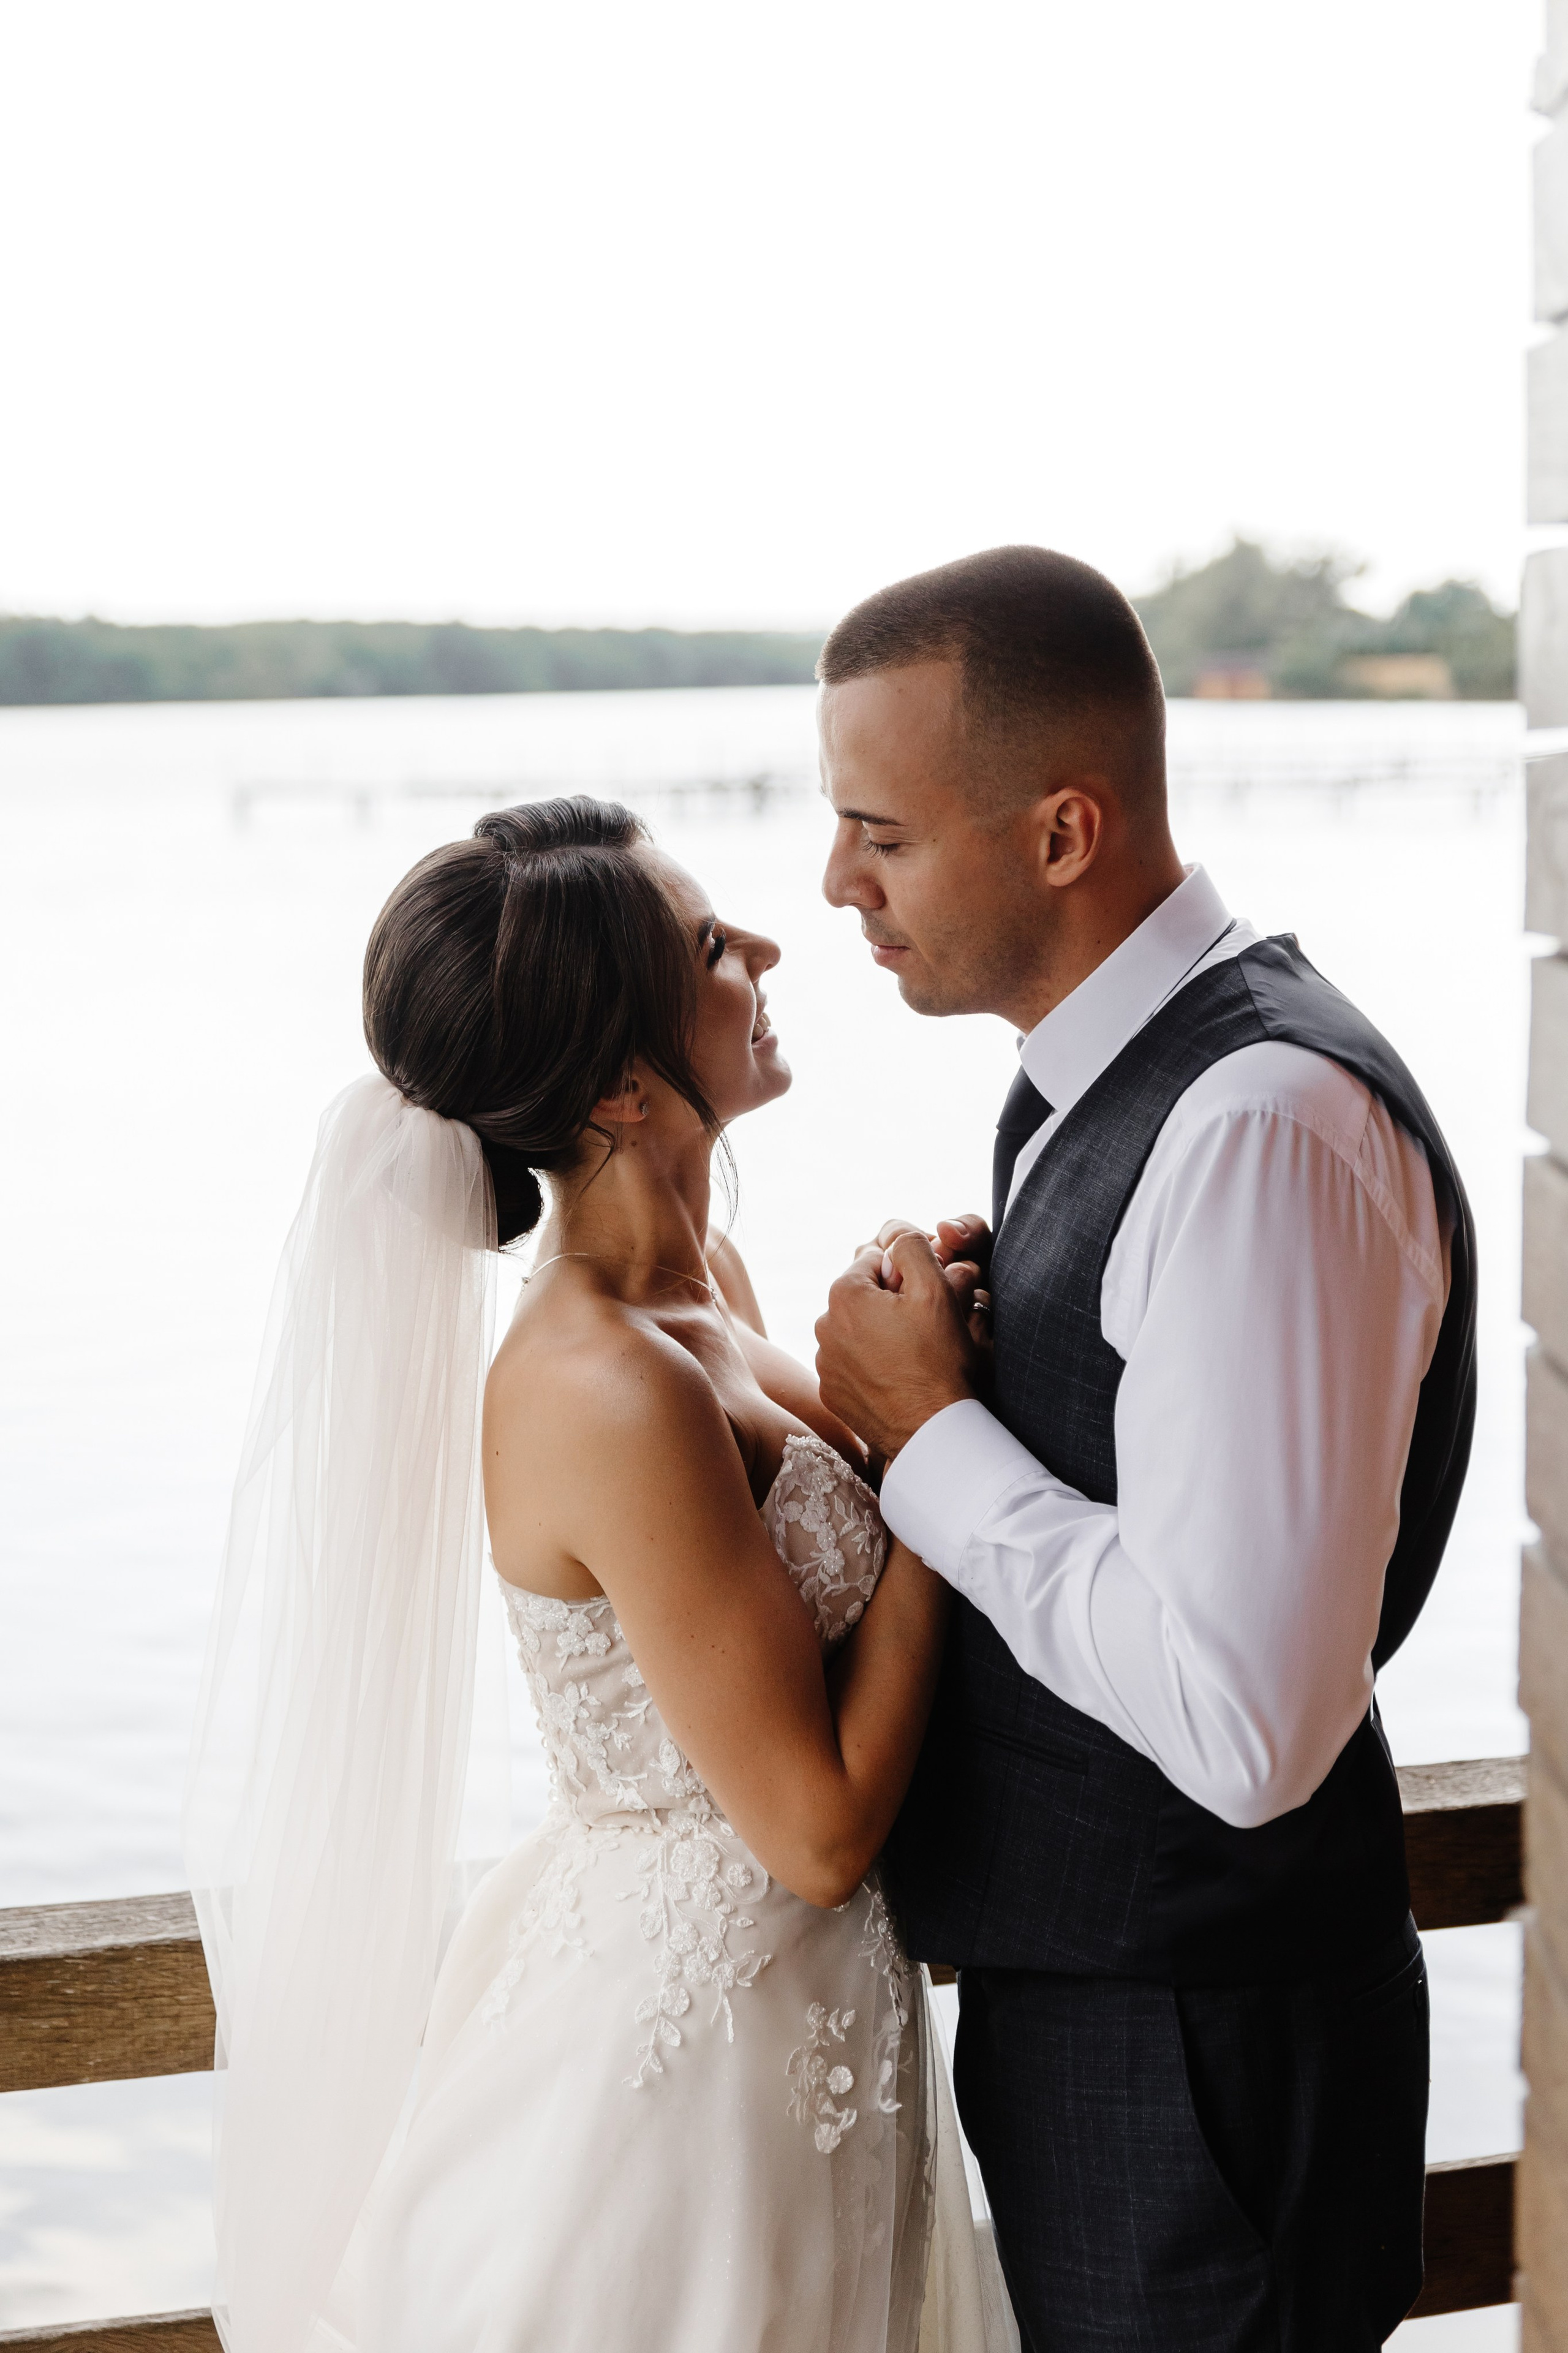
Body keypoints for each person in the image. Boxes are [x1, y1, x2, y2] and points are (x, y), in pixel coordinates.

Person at [184, 798, 1019, 2353]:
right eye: (709, 948)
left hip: (805, 2036)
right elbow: (816, 1829)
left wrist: (927, 1349)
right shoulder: (602, 1383)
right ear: (624, 1087)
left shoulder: (712, 1290)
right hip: (681, 2081)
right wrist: (932, 1445)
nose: (766, 948)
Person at [812, 546, 1476, 2352]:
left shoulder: (1258, 1122)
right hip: (1131, 2029)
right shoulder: (1104, 1084)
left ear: (1061, 833)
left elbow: (1246, 1725)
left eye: (881, 832)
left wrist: (932, 1433)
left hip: (1204, 2068)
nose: (837, 883)